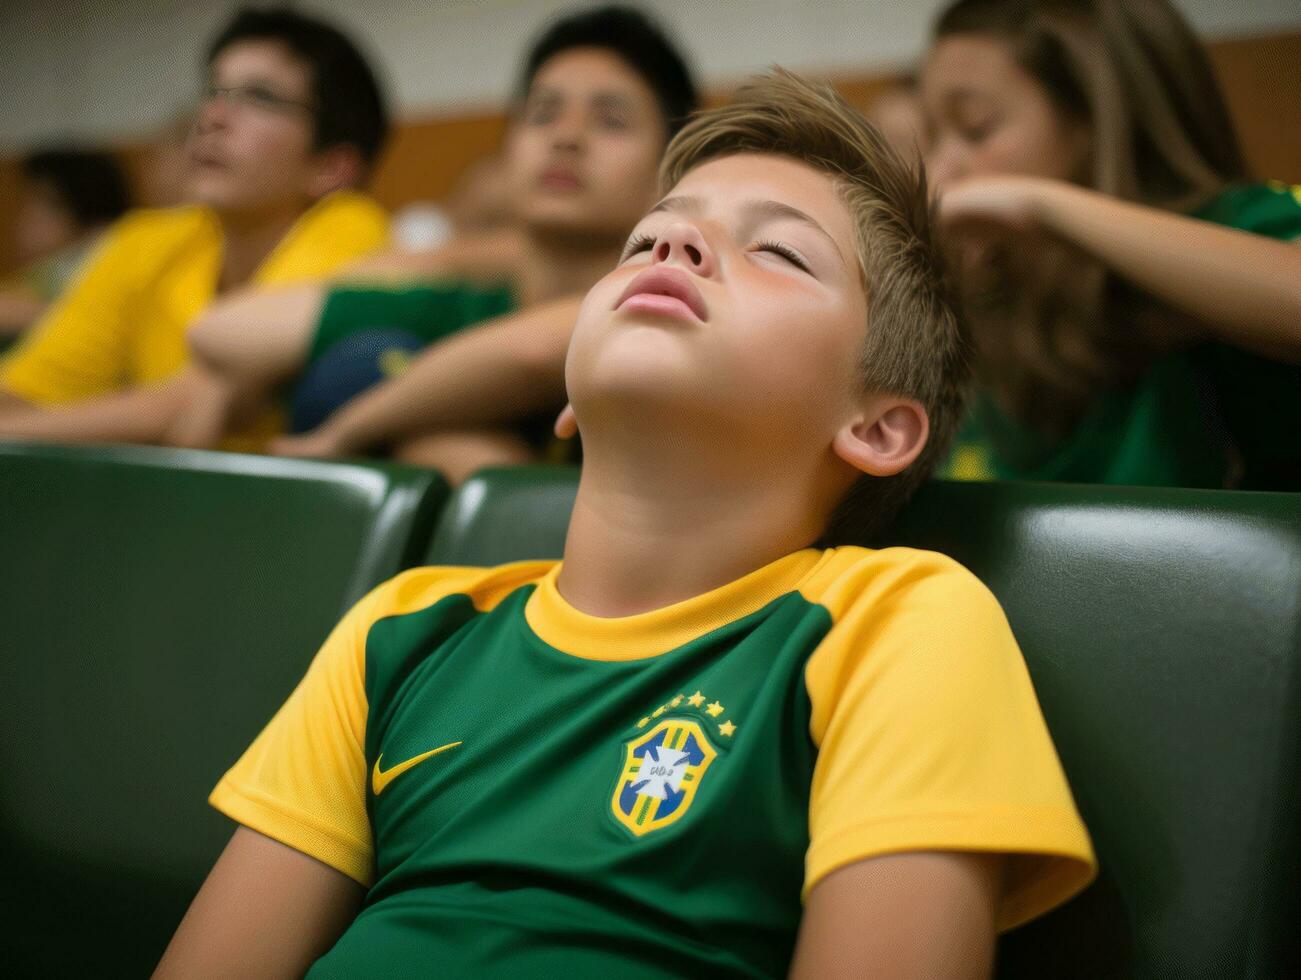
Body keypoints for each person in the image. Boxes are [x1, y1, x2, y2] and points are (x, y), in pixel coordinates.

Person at [157, 70, 1094, 978]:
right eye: (649, 239)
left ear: (877, 426)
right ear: (567, 393)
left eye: (777, 251)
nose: (673, 252)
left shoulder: (897, 622)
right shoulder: (401, 632)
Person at [176, 5, 698, 481]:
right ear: (504, 154)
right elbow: (221, 333)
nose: (566, 137)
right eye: (542, 114)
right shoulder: (465, 305)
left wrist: (349, 432)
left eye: (612, 121)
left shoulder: (674, 299)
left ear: (669, 170)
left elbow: (534, 352)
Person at [921, 0, 1301, 489]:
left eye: (976, 127)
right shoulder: (994, 290)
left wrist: (1040, 207)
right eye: (931, 136)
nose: (939, 172)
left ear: (1099, 117)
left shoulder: (1238, 220)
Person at [0, 6, 391, 448]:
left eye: (260, 97)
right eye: (213, 91)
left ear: (331, 167)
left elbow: (189, 404)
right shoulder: (147, 239)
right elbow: (32, 388)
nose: (212, 117)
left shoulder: (353, 231)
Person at [0, 148, 131, 339]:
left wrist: (30, 314)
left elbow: (112, 320)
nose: (25, 214)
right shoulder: (46, 271)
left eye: (40, 203)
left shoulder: (107, 258)